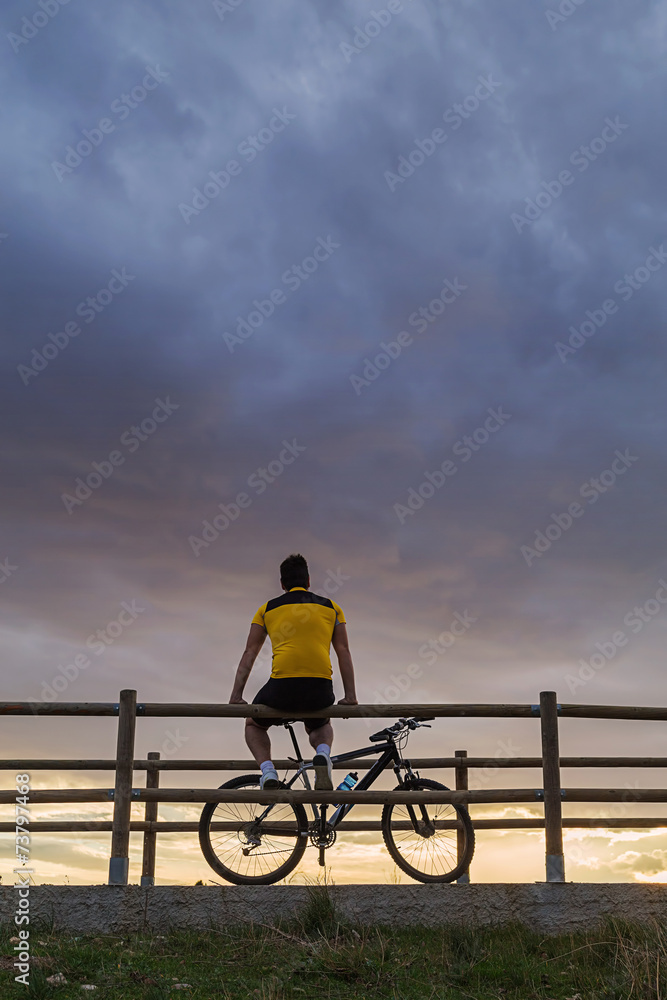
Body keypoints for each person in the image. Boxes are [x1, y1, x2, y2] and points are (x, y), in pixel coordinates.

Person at [229, 553, 358, 790]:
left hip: (282, 688)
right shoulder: (332, 607)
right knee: (320, 724)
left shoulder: (266, 609)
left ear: (282, 584)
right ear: (308, 581)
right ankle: (322, 755)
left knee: (253, 724)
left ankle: (268, 772)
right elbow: (343, 651)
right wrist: (350, 697)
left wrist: (236, 696)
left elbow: (250, 652)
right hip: (319, 688)